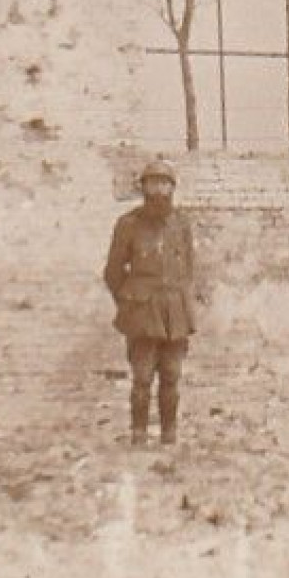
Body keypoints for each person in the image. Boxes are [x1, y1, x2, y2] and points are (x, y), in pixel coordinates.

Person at [103, 158, 196, 447]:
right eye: (152, 183)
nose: (159, 190)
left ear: (172, 189)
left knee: (171, 375)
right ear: (143, 188)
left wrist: (180, 298)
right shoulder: (128, 224)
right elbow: (113, 272)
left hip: (175, 312)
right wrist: (130, 301)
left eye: (164, 184)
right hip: (142, 312)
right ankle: (139, 434)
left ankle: (170, 434)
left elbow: (188, 267)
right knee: (142, 377)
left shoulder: (181, 223)